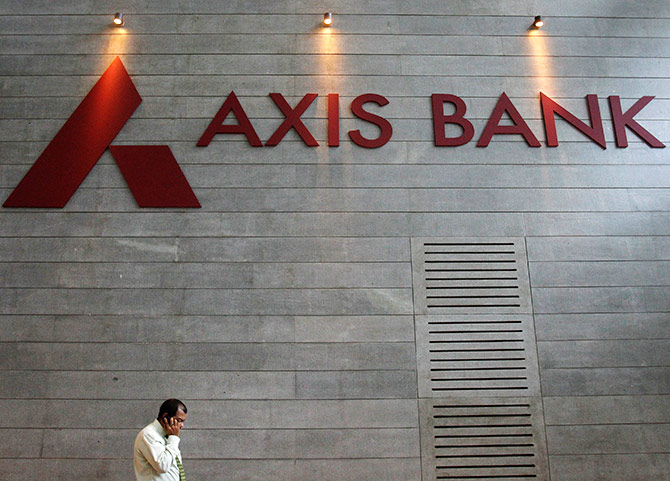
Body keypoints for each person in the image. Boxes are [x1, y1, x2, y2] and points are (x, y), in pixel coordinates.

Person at [134, 398, 188, 481]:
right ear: (165, 416)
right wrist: (174, 438)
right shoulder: (148, 435)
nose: (181, 425)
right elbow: (163, 466)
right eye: (179, 420)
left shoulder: (168, 436)